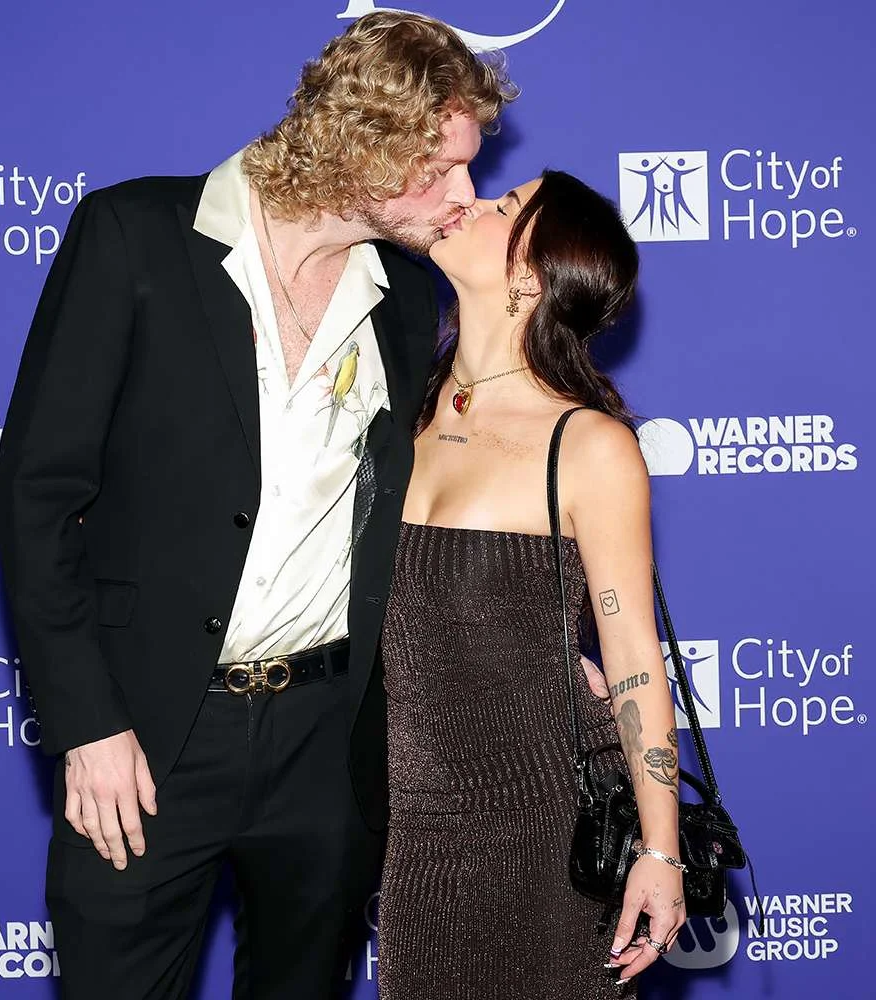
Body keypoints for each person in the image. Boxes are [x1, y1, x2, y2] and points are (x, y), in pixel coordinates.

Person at [0, 13, 514, 1000]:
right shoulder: (137, 236)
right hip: (149, 731)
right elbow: (37, 496)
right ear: (365, 143)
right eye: (443, 168)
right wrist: (88, 724)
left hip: (327, 742)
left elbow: (428, 510)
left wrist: (534, 639)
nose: (465, 197)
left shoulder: (406, 300)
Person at [377, 171, 685, 998]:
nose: (470, 201)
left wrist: (660, 849)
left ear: (532, 277)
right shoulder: (399, 406)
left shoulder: (587, 446)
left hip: (545, 816)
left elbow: (632, 659)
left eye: (504, 207)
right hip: (416, 829)